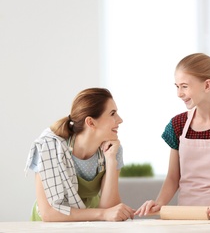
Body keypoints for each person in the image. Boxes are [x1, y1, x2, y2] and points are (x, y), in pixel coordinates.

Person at [135, 53, 210, 219]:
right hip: (186, 218)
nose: (179, 93)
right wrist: (160, 203)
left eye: (184, 86)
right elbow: (173, 177)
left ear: (207, 85)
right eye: (176, 86)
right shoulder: (177, 124)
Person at [24, 88, 135, 222]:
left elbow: (110, 210)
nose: (120, 120)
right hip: (50, 225)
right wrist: (102, 214)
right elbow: (49, 213)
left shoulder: (112, 150)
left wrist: (111, 161)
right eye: (112, 113)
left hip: (90, 223)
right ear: (90, 122)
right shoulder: (48, 148)